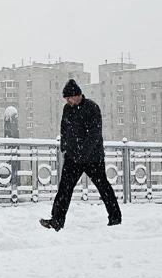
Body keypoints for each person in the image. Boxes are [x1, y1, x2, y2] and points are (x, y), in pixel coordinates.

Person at [40, 79, 122, 231]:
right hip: (73, 158)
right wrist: (64, 146)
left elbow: (95, 135)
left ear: (77, 95)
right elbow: (64, 129)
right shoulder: (67, 109)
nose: (68, 101)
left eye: (69, 98)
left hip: (93, 158)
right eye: (66, 99)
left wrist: (83, 152)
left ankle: (115, 218)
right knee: (64, 189)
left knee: (103, 187)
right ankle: (56, 220)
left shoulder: (92, 107)